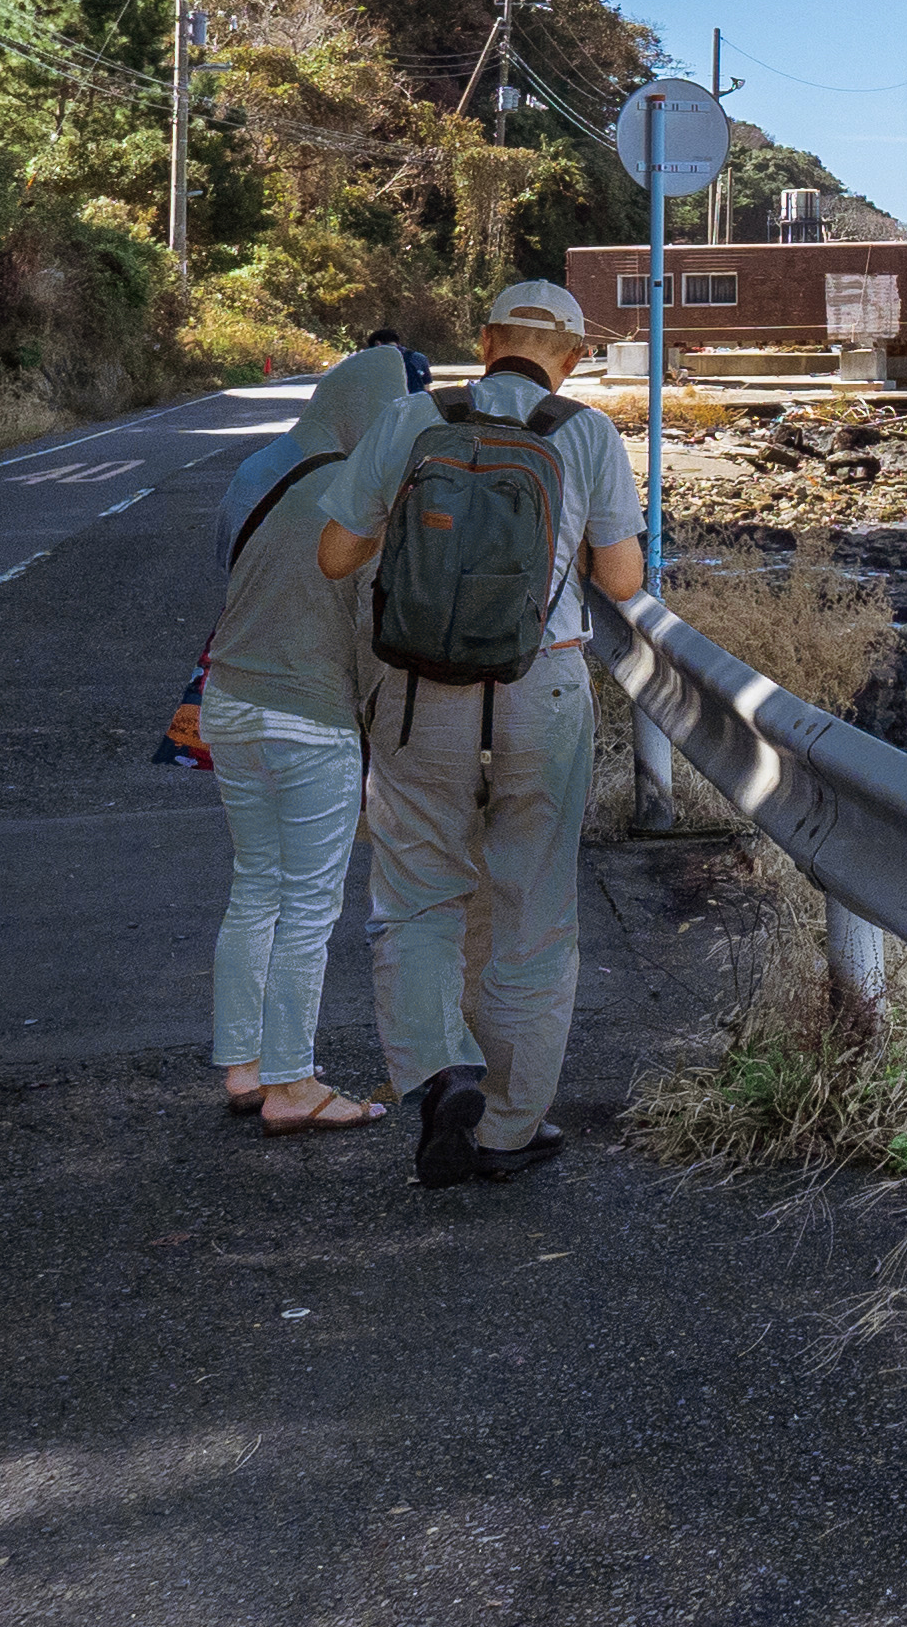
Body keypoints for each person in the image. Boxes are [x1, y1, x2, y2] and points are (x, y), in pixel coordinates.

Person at [314, 277, 644, 1187]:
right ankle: (506, 1128)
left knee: (419, 895)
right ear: (573, 359)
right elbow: (622, 581)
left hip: (420, 693)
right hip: (543, 690)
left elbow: (335, 554)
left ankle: (440, 1070)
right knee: (534, 908)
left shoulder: (412, 419)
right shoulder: (587, 434)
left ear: (487, 340)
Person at [202, 340, 420, 1132]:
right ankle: (293, 1084)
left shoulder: (268, 476)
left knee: (255, 886)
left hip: (229, 702)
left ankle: (244, 1066)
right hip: (308, 719)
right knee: (309, 907)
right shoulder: (360, 502)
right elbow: (373, 634)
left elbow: (229, 572)